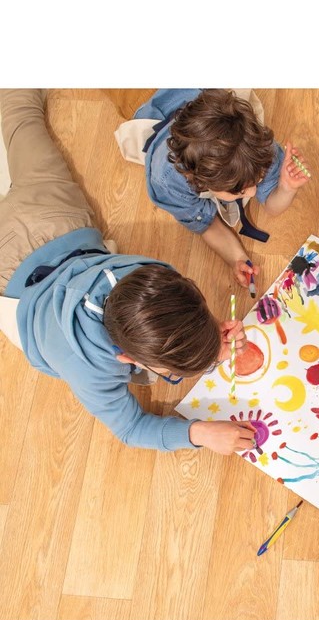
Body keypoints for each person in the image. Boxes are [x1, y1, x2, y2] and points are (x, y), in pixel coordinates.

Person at [0, 89, 257, 454]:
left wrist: (209, 336)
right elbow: (131, 428)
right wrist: (197, 433)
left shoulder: (154, 277)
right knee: (22, 123)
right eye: (169, 374)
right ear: (128, 360)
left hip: (54, 217)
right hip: (21, 275)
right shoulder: (86, 367)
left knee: (23, 118)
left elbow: (177, 314)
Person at [127, 89, 310, 290]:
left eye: (257, 180)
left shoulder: (256, 147)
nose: (252, 193)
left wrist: (286, 187)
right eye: (240, 191)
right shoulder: (168, 182)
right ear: (200, 181)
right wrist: (235, 257)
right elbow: (205, 224)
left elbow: (271, 205)